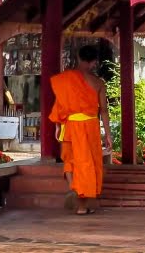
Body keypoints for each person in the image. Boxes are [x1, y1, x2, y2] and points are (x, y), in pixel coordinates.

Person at [49, 45, 112, 215]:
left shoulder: (64, 78)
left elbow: (61, 103)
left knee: (70, 159)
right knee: (87, 163)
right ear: (93, 62)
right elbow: (104, 111)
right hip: (90, 127)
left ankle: (74, 189)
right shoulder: (98, 83)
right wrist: (108, 134)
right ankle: (82, 204)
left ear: (78, 58)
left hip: (70, 125)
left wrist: (58, 124)